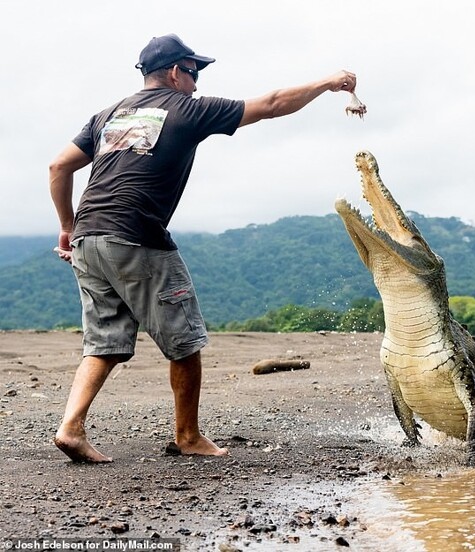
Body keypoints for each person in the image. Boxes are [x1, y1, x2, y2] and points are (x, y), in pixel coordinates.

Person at [48, 33, 358, 463]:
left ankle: (71, 427)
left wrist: (68, 226)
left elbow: (59, 165)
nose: (196, 83)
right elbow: (270, 105)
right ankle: (188, 436)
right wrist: (328, 82)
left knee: (103, 342)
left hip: (89, 236)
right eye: (193, 73)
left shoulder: (107, 116)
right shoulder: (186, 108)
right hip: (138, 238)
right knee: (185, 341)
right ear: (175, 72)